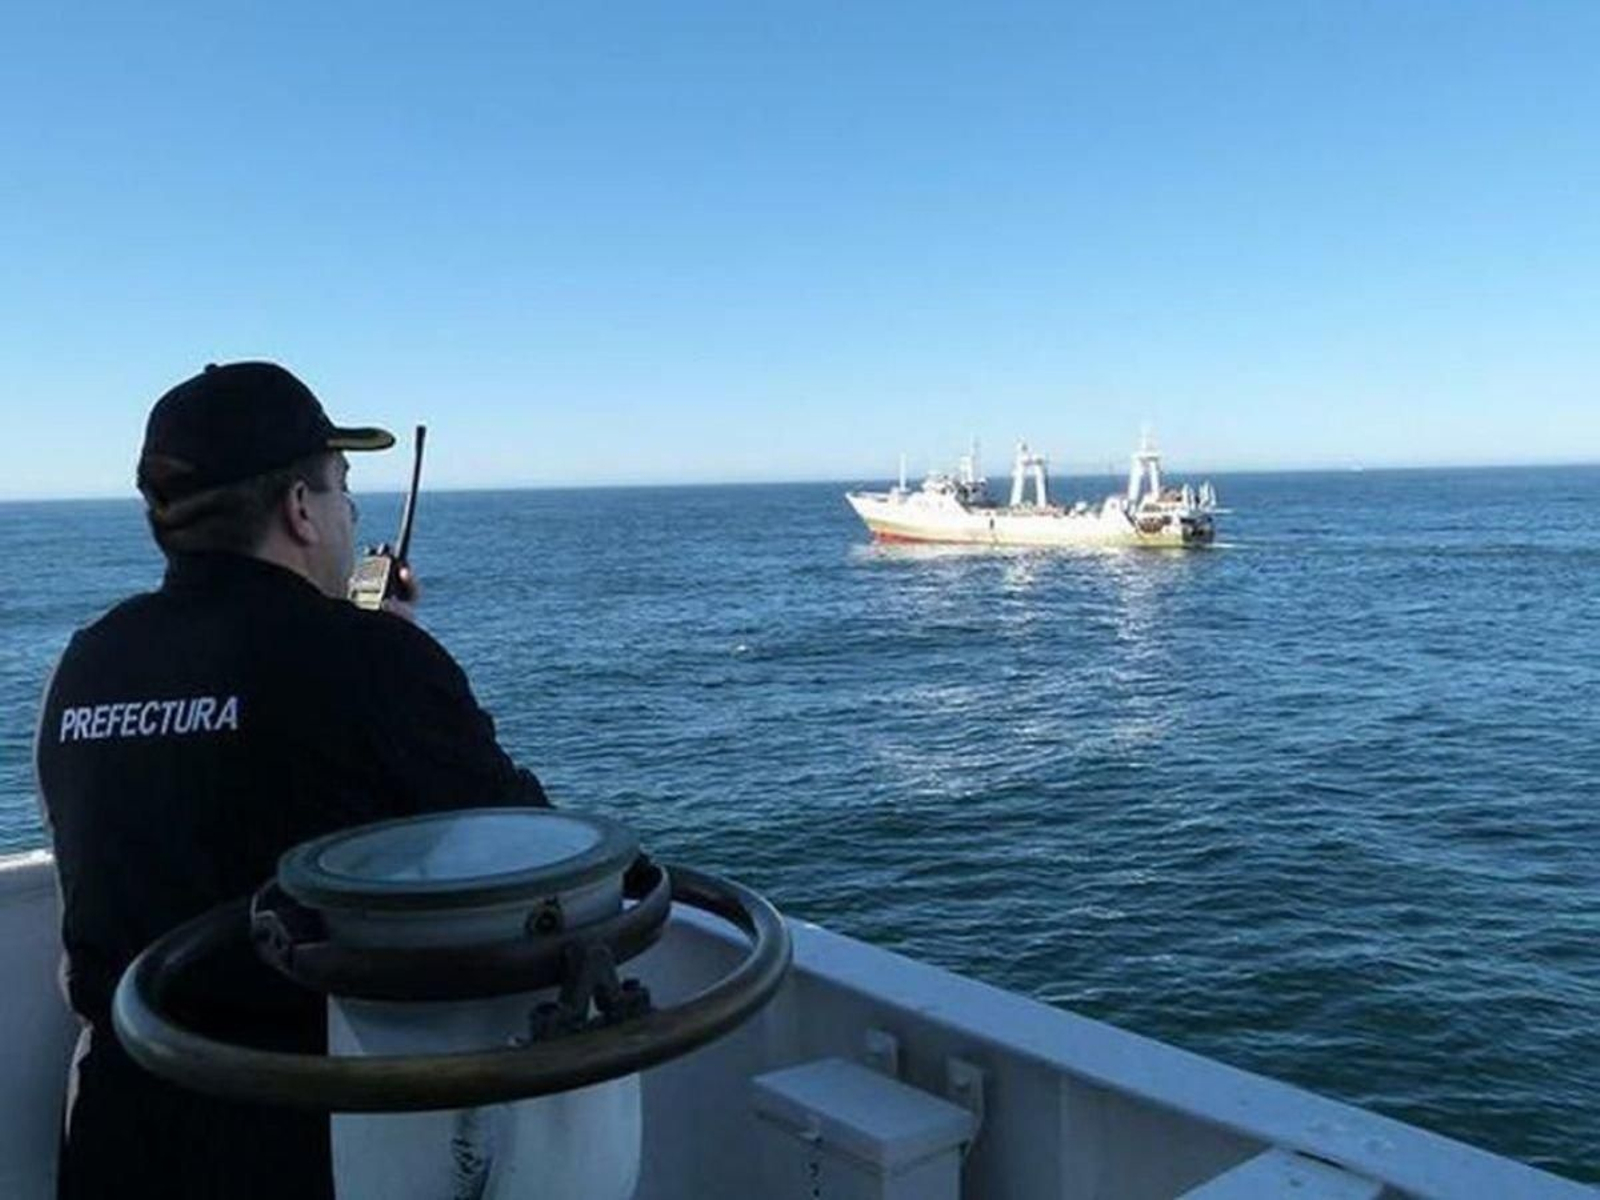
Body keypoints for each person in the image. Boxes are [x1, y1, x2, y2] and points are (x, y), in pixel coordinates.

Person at [34, 361, 549, 1199]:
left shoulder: (85, 661)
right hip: (302, 1128)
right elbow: (522, 840)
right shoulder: (371, 663)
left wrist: (365, 644)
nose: (350, 512)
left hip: (115, 1122)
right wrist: (388, 651)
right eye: (343, 488)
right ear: (301, 511)